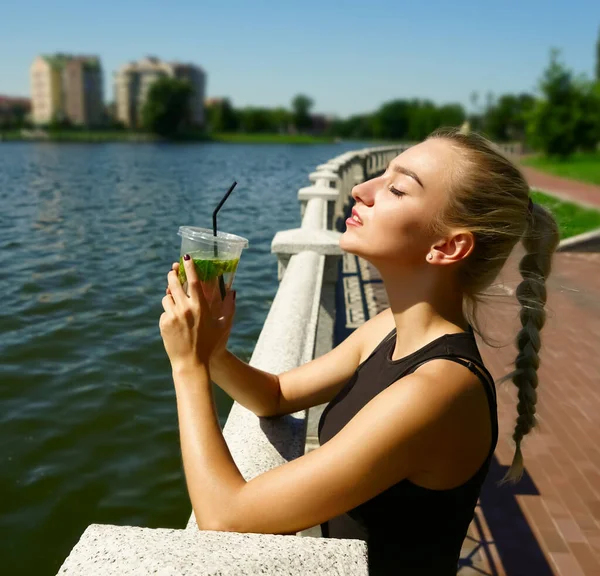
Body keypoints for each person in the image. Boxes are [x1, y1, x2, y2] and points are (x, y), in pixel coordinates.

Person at [159, 128, 560, 575]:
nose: (360, 190)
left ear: (447, 247)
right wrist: (211, 351)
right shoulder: (390, 326)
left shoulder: (440, 390)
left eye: (396, 187)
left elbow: (225, 517)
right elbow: (273, 395)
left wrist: (187, 366)